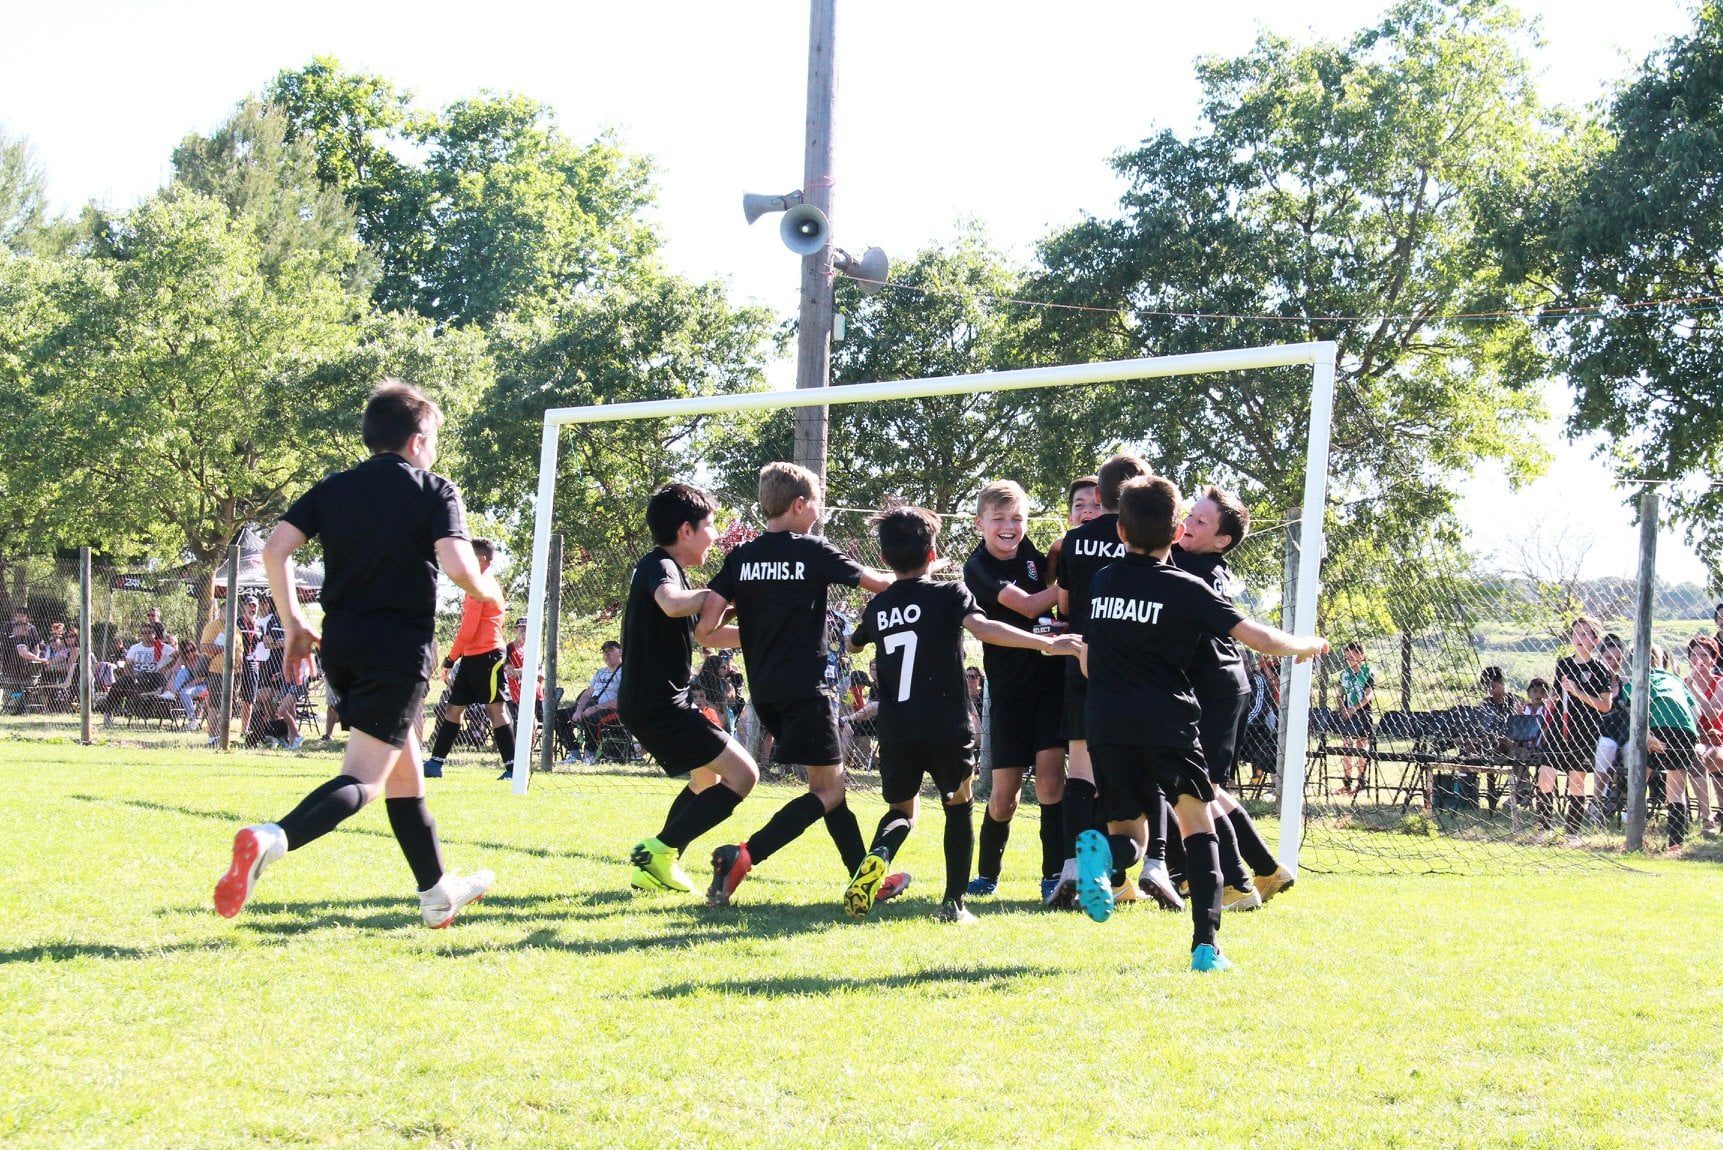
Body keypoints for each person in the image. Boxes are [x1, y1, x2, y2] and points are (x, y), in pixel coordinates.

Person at [212, 379, 497, 929]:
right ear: (417, 440)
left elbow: (275, 550)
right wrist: (490, 592)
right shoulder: (435, 489)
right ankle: (271, 839)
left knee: (404, 773)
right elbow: (461, 569)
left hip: (341, 647)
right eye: (433, 438)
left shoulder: (334, 488)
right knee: (365, 779)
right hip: (398, 649)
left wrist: (295, 620)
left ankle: (437, 893)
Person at [1073, 475, 1327, 972]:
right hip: (1167, 720)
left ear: (1120, 532)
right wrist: (1308, 645)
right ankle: (1206, 949)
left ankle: (1105, 857)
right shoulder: (1186, 588)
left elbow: (1087, 658)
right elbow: (1259, 638)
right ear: (1177, 532)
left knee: (1129, 829)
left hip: (1105, 719)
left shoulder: (1102, 582)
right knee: (1196, 825)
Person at [845, 506, 1082, 923]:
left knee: (901, 811)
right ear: (933, 552)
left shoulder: (879, 607)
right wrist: (1045, 643)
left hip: (896, 728)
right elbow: (986, 629)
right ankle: (954, 903)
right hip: (945, 725)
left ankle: (880, 853)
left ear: (884, 560)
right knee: (958, 807)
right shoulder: (950, 593)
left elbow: (854, 644)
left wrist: (856, 638)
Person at [696, 462, 896, 908]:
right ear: (799, 504)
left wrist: (759, 627)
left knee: (829, 788)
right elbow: (881, 583)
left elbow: (706, 633)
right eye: (818, 503)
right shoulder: (813, 550)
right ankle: (742, 856)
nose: (819, 513)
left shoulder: (740, 557)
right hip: (807, 689)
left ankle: (865, 880)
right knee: (829, 790)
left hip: (766, 694)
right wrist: (928, 566)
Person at [620, 483, 760, 894]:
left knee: (706, 780)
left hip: (653, 702)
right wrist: (720, 593)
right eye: (711, 525)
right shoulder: (659, 567)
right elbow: (672, 603)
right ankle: (660, 849)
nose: (715, 535)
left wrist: (763, 624)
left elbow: (709, 637)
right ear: (686, 530)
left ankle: (654, 866)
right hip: (660, 705)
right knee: (744, 775)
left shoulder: (668, 570)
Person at [1173, 485, 1297, 908]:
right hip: (1223, 685)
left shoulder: (1190, 566)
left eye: (1200, 521)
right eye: (1189, 514)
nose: (1187, 523)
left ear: (1221, 541)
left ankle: (1238, 883)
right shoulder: (1202, 561)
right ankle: (1265, 870)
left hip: (1216, 689)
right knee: (1204, 787)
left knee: (1196, 789)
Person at [1054, 454, 1163, 909]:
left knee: (1079, 770)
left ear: (1097, 497)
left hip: (1083, 660)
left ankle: (1072, 869)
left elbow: (1061, 608)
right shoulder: (1147, 541)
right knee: (1146, 768)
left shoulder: (1073, 541)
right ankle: (1152, 863)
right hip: (1136, 669)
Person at [962, 479, 1069, 902]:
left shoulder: (1031, 556)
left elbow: (1052, 578)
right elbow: (1026, 605)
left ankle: (1053, 875)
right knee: (1004, 795)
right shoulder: (978, 567)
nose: (1009, 527)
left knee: (1049, 784)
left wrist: (1067, 554)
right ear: (980, 524)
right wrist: (1072, 584)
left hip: (1050, 687)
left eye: (1018, 518)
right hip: (1008, 693)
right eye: (999, 519)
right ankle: (987, 874)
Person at [423, 538, 517, 780]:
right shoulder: (478, 583)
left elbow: (468, 629)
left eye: (469, 556)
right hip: (472, 655)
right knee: (454, 709)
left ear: (482, 559)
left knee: (495, 708)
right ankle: (435, 763)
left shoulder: (482, 586)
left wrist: (449, 659)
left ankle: (513, 768)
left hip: (488, 656)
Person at [1621, 646, 1702, 848]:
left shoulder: (1634, 681)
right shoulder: (1675, 680)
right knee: (1676, 789)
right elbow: (1696, 711)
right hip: (1684, 728)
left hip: (1656, 727)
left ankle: (1634, 838)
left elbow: (1634, 712)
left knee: (1638, 782)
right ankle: (1676, 843)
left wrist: (1648, 735)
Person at [1541, 616, 1613, 835]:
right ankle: (1543, 828)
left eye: (1584, 634)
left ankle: (1572, 832)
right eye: (1575, 633)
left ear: (1594, 639)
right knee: (1545, 774)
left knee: (1576, 780)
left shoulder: (1600, 669)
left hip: (1584, 730)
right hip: (1559, 727)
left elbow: (1605, 705)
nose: (1578, 638)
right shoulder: (1563, 664)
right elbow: (1556, 692)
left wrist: (1577, 692)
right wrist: (1551, 699)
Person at [1685, 634, 1723, 836]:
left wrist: (1694, 689)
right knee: (1694, 752)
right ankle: (1707, 820)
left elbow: (1713, 712)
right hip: (1691, 739)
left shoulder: (1720, 683)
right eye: (1694, 655)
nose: (1699, 660)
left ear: (1713, 658)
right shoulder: (1682, 683)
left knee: (1698, 753)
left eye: (1704, 655)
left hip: (1716, 740)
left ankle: (1708, 820)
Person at [564, 640, 625, 761]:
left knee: (591, 718)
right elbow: (588, 693)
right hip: (592, 705)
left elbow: (622, 700)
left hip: (613, 710)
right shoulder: (600, 672)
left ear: (620, 652)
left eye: (611, 651)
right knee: (560, 716)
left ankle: (590, 754)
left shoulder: (626, 672)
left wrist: (595, 708)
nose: (607, 655)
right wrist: (578, 710)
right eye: (605, 652)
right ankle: (574, 753)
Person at [1336, 641, 1375, 795]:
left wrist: (1355, 708)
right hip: (1347, 715)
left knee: (1361, 747)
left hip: (1363, 714)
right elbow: (1339, 694)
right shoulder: (1344, 674)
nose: (1349, 660)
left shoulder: (1368, 672)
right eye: (1347, 657)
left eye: (1352, 656)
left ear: (1361, 656)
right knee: (1346, 746)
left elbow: (1369, 694)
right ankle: (1346, 782)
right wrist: (1343, 708)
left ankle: (1361, 781)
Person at [3, 607, 45, 714]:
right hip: (11, 668)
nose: (20, 616)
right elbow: (22, 652)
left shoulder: (31, 629)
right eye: (18, 614)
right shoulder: (8, 628)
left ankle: (16, 706)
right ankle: (13, 706)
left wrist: (34, 661)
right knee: (16, 689)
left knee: (21, 688)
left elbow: (36, 647)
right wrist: (39, 659)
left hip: (27, 669)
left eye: (23, 614)